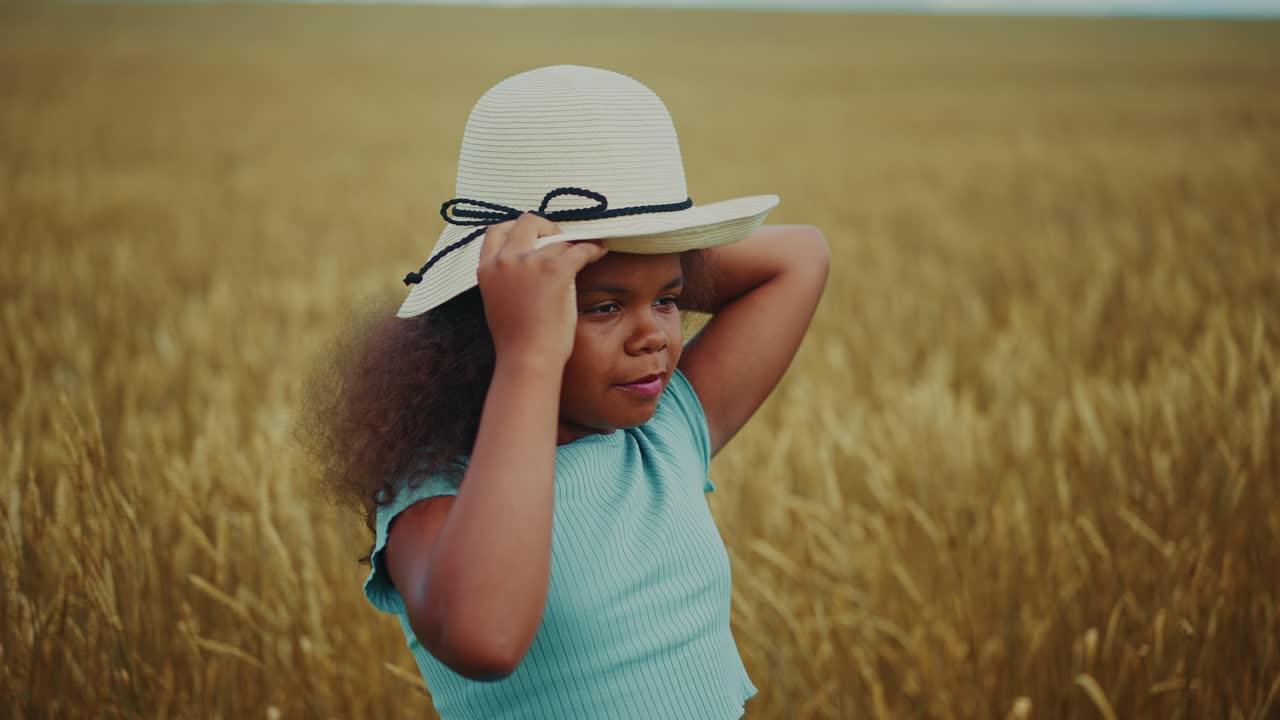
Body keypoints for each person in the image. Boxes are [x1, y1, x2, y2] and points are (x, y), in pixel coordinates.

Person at [303, 65, 828, 719]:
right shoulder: (438, 490)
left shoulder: (661, 434)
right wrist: (529, 352)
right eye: (604, 310)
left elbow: (801, 256)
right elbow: (485, 638)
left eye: (670, 301)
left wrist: (640, 260)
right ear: (492, 323)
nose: (655, 338)